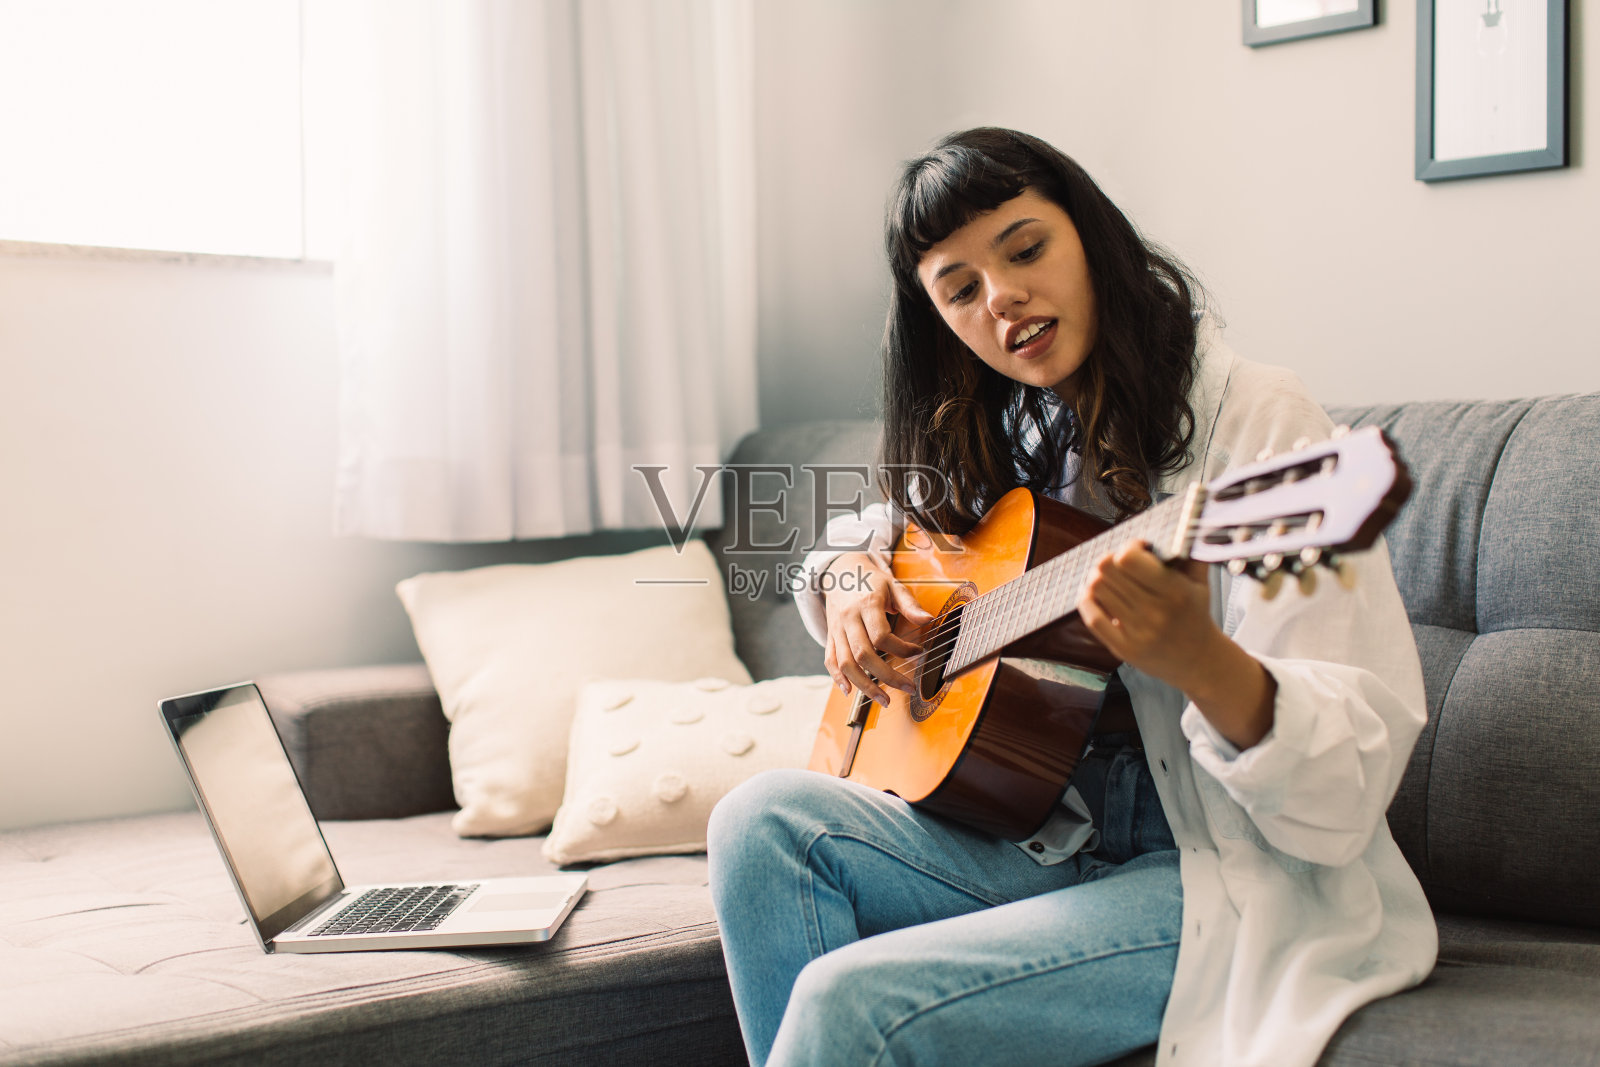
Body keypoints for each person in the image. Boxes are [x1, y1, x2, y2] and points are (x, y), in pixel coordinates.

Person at [706, 128, 1435, 1067]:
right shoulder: (1005, 434)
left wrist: (1205, 662)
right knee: (758, 823)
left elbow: (1352, 783)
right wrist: (847, 581)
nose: (1001, 296)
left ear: (1090, 237)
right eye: (961, 290)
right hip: (1041, 838)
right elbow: (863, 539)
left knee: (847, 1000)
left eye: (1025, 249)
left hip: (1210, 870)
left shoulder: (1263, 424)